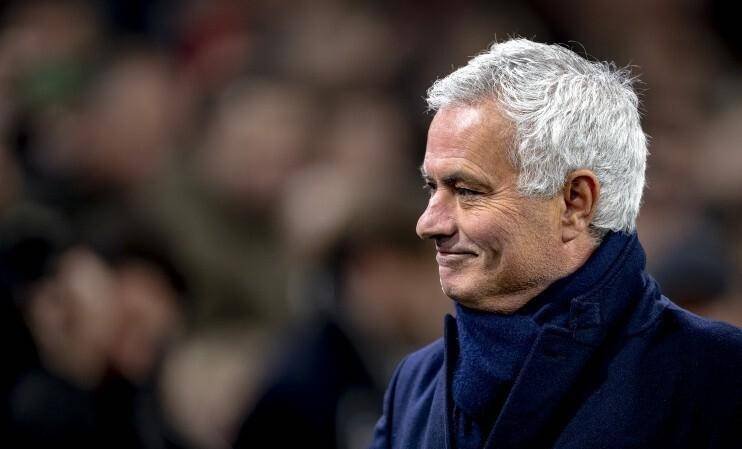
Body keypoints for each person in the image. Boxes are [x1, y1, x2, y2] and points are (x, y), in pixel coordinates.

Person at [368, 38, 742, 449]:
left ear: (575, 202)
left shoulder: (718, 377)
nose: (428, 224)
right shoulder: (413, 386)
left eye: (468, 190)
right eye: (432, 187)